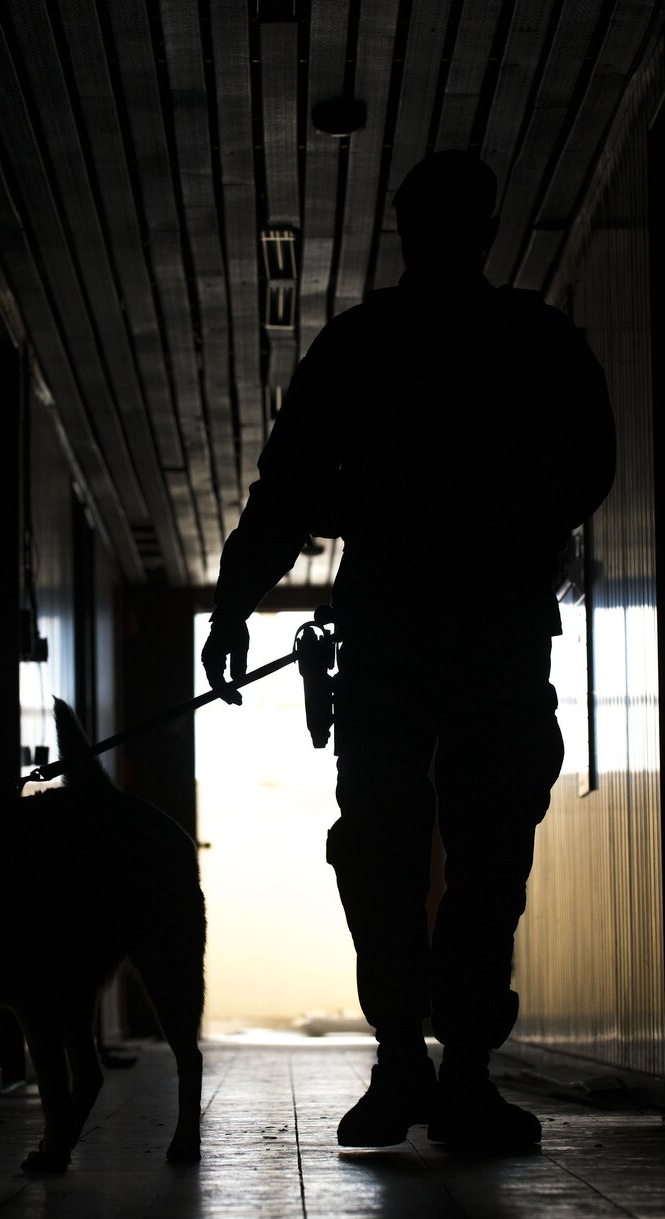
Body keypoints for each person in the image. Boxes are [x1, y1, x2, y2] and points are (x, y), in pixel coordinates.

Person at [203, 150, 616, 1150]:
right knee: (469, 848)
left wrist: (231, 603)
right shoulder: (533, 341)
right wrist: (515, 530)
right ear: (483, 230)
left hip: (404, 626)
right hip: (480, 629)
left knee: (400, 845)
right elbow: (585, 466)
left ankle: (413, 1064)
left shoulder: (361, 346)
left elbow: (288, 487)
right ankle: (449, 1069)